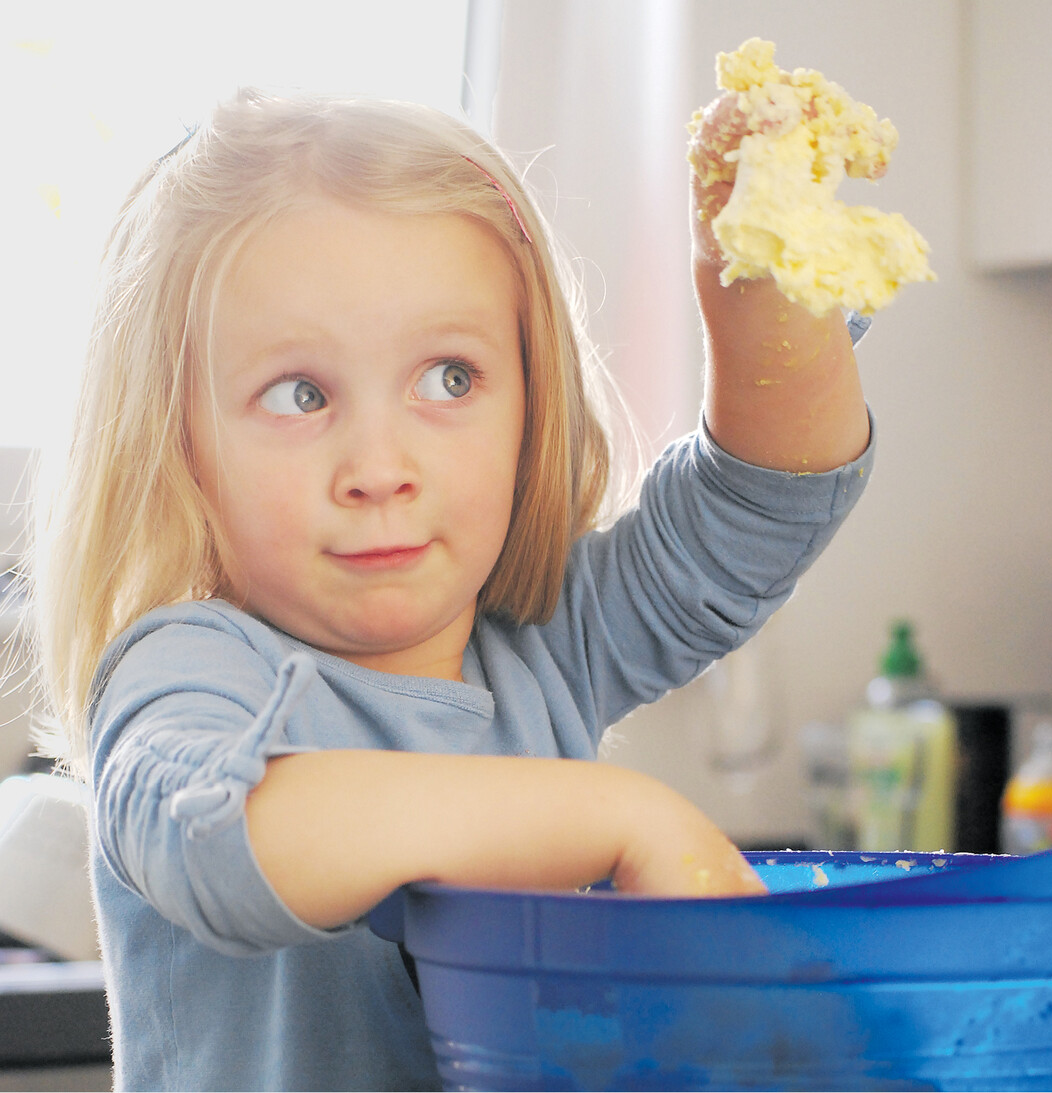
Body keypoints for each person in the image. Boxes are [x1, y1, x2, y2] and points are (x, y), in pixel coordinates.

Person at [28, 86, 873, 1091]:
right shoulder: (188, 670)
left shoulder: (545, 643)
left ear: (531, 403)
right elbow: (220, 839)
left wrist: (758, 296)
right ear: (181, 442)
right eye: (302, 395)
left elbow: (760, 509)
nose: (380, 466)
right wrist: (614, 814)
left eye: (449, 380)